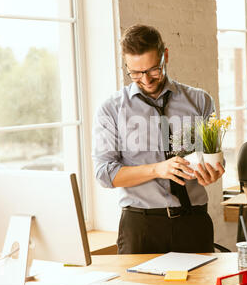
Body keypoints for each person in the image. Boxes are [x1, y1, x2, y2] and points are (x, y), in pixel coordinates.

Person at [92, 24, 225, 254]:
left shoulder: (201, 101)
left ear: (165, 56)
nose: (145, 79)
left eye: (153, 69)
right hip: (141, 227)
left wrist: (213, 171)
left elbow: (211, 156)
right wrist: (157, 170)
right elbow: (104, 173)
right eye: (135, 73)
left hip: (193, 221)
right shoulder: (111, 109)